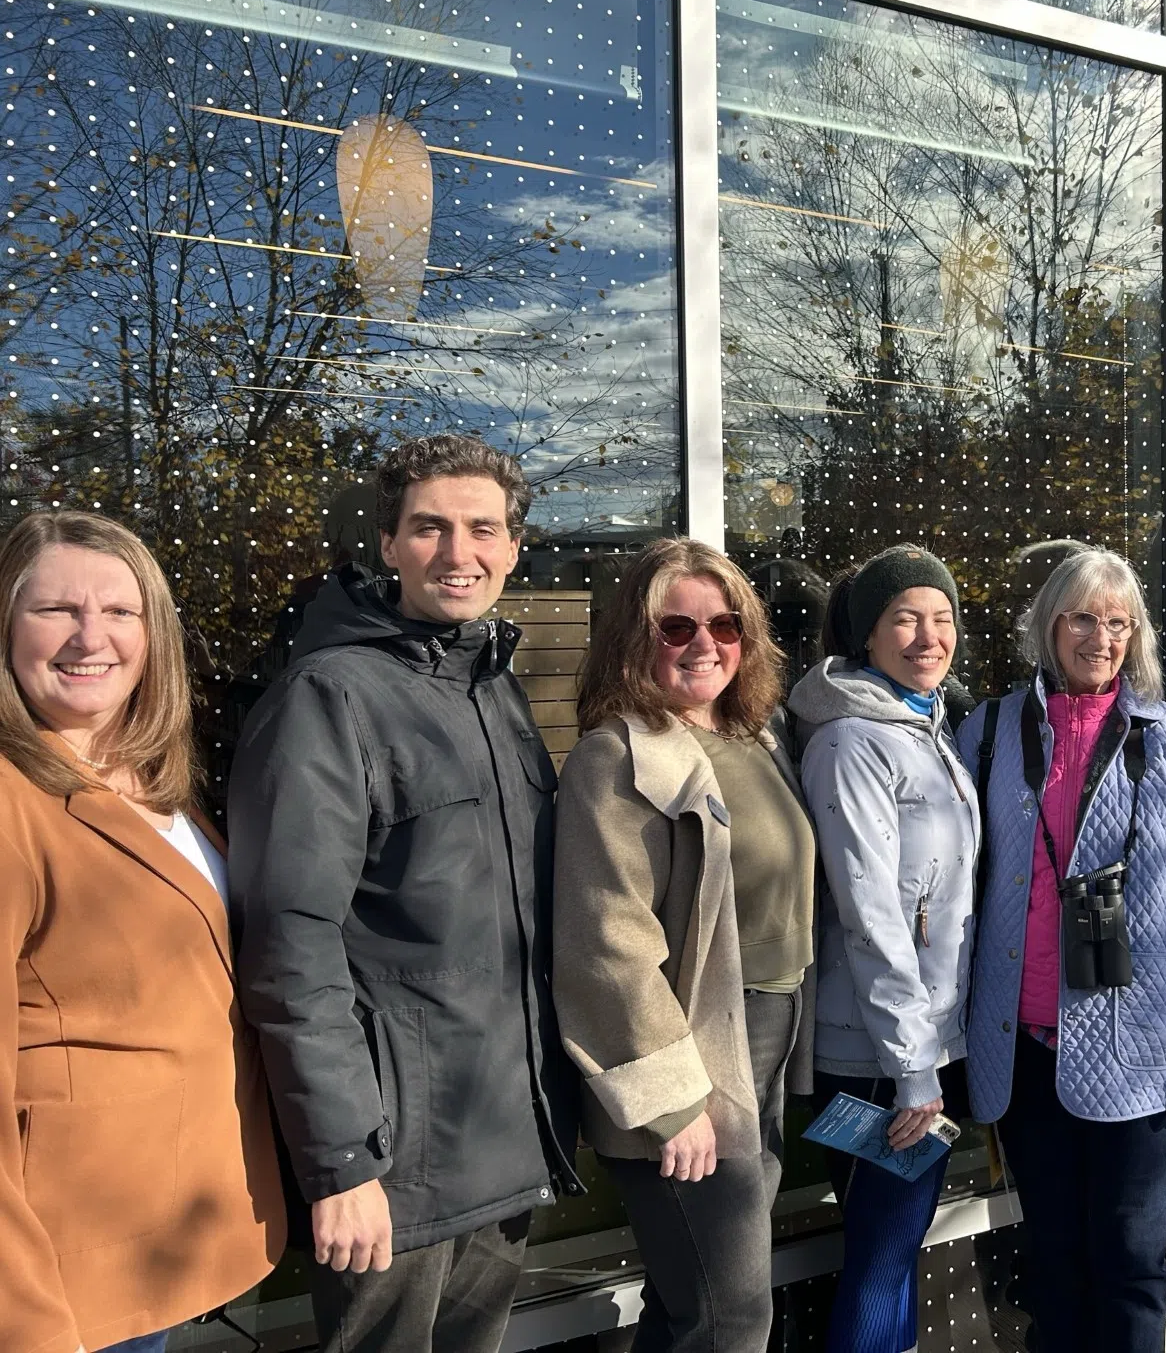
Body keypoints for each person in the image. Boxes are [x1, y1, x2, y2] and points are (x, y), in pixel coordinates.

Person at [228, 434, 582, 1353]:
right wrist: (341, 1161)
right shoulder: (330, 696)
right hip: (394, 1161)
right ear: (387, 544)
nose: (457, 554)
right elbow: (288, 944)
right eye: (429, 528)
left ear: (513, 548)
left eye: (482, 529)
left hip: (503, 1137)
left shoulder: (491, 687)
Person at [959, 546, 1166, 1353]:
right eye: (1083, 618)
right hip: (1021, 1047)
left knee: (1131, 1256)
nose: (1100, 637)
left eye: (1118, 624)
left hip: (1142, 1048)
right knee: (1053, 1252)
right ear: (1050, 625)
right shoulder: (988, 733)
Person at [0, 511, 285, 1353]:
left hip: (157, 1241)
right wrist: (26, 1322)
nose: (92, 636)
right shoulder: (11, 796)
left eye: (120, 613)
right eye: (55, 610)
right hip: (62, 1271)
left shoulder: (150, 780)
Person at [552, 538, 815, 1353]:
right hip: (691, 1057)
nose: (706, 644)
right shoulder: (615, 758)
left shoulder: (755, 740)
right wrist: (671, 1105)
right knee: (732, 1317)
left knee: (691, 1304)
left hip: (764, 1041)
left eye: (726, 624)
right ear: (635, 638)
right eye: (676, 627)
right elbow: (608, 947)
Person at [786, 545, 980, 1353]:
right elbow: (870, 913)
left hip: (914, 1045)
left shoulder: (925, 726)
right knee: (881, 1257)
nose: (928, 636)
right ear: (866, 635)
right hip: (879, 1055)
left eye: (941, 619)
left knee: (892, 1258)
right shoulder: (853, 742)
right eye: (905, 618)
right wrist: (913, 1066)